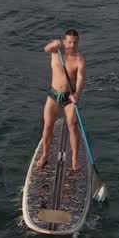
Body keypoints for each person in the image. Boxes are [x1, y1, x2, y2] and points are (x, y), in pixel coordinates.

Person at [36, 29, 86, 171]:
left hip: (69, 98)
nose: (72, 45)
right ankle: (45, 155)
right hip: (53, 95)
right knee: (47, 126)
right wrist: (54, 43)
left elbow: (81, 78)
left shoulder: (79, 59)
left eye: (75, 42)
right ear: (64, 41)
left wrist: (77, 94)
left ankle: (75, 160)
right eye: (69, 42)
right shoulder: (56, 51)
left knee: (73, 126)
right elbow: (46, 49)